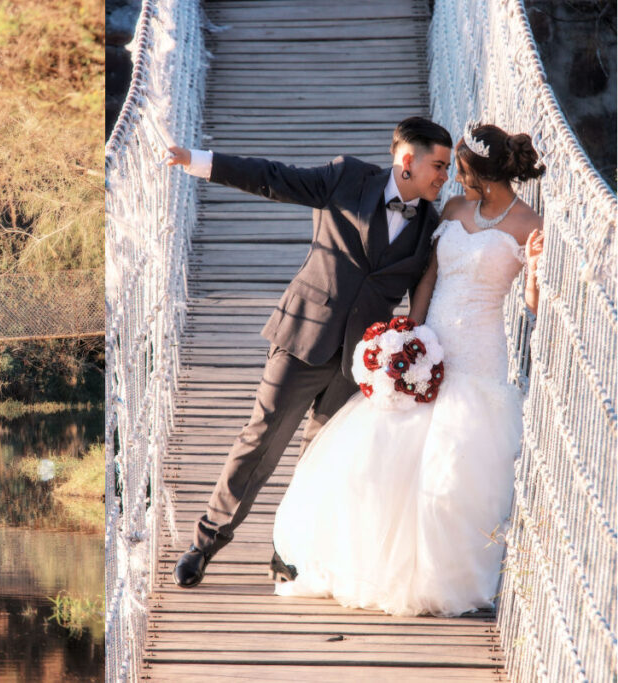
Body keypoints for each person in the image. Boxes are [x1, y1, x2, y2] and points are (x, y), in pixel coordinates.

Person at [269, 123, 545, 616]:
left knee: (456, 461)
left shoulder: (528, 224)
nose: (453, 183)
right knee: (387, 448)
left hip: (481, 353)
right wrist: (408, 336)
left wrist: (539, 271)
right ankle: (377, 558)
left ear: (483, 174)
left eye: (460, 173)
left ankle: (445, 573)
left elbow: (532, 306)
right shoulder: (457, 211)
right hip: (432, 342)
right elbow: (429, 278)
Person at [166, 117, 454, 588]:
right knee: (260, 440)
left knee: (320, 460)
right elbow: (274, 178)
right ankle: (205, 543)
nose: (445, 176)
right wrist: (198, 162)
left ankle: (289, 551)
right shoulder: (346, 178)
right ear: (407, 161)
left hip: (363, 361)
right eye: (439, 166)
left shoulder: (433, 227)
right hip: (304, 335)